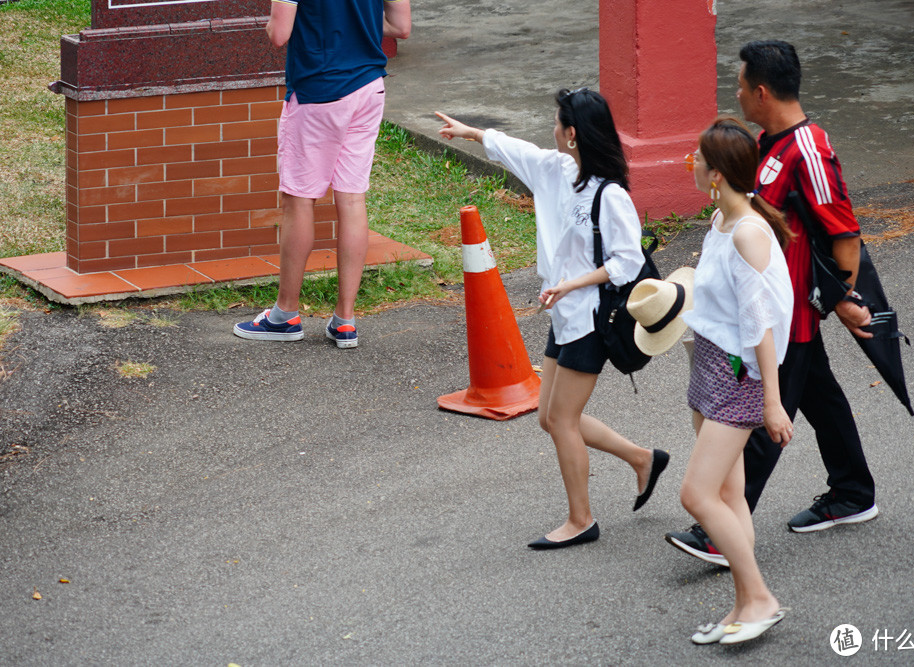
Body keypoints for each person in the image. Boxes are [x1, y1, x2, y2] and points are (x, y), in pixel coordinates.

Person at [667, 40, 878, 568]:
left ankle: (721, 529)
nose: (735, 93)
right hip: (782, 309)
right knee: (820, 398)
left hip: (790, 313)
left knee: (762, 411)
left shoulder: (808, 148)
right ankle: (853, 493)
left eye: (740, 85)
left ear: (761, 91)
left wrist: (845, 299)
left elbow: (844, 233)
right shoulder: (766, 141)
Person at [435, 88, 671, 550]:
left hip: (590, 317)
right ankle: (642, 458)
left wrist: (573, 283)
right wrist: (472, 133)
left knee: (562, 419)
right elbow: (516, 150)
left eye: (557, 121)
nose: (552, 128)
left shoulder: (611, 196)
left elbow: (627, 262)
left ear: (573, 133)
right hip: (563, 313)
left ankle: (581, 520)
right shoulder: (557, 169)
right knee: (549, 417)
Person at [677, 116, 794, 644]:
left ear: (717, 174)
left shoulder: (748, 232)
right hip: (711, 363)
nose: (692, 164)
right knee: (730, 494)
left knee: (697, 496)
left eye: (698, 158)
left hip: (737, 377)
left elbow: (759, 323)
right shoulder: (723, 222)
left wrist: (772, 401)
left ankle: (761, 598)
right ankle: (743, 605)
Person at [233, 0, 411, 346]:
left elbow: (279, 33)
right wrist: (355, 27)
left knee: (299, 201)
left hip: (319, 90)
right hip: (369, 87)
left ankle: (285, 315)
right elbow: (400, 26)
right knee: (352, 199)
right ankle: (345, 320)